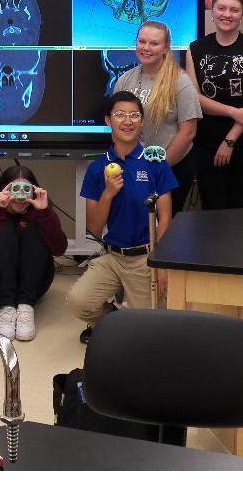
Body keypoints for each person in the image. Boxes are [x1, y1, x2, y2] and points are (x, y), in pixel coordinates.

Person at [67, 92, 177, 341]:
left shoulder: (155, 161)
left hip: (145, 258)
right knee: (78, 302)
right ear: (108, 121)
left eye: (134, 115)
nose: (127, 121)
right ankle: (113, 321)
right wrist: (108, 193)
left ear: (142, 121)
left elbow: (166, 216)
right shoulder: (98, 168)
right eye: (120, 115)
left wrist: (161, 264)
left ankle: (128, 321)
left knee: (149, 334)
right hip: (113, 257)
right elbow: (95, 227)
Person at [186, 0, 243, 209]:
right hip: (206, 144)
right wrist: (234, 112)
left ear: (241, 15)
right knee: (212, 211)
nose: (227, 14)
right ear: (212, 11)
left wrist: (230, 141)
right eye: (221, 8)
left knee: (238, 211)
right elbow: (196, 99)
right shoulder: (195, 49)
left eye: (234, 10)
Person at [0, 165, 67, 342]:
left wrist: (44, 213)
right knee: (3, 228)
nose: (20, 196)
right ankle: (6, 308)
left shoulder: (40, 208)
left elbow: (59, 249)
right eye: (15, 189)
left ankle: (25, 308)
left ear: (34, 191)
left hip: (32, 287)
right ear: (4, 189)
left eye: (26, 190)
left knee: (35, 228)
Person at [113, 20, 201, 213]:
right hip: (133, 168)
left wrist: (157, 170)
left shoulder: (180, 82)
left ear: (165, 48)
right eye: (142, 41)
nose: (146, 48)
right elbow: (117, 126)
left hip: (171, 168)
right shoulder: (124, 80)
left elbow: (188, 132)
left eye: (154, 43)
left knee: (164, 231)